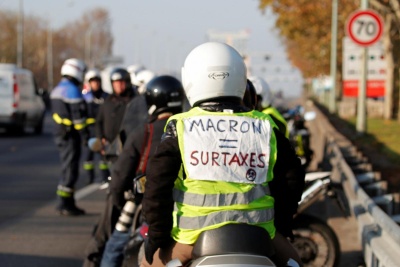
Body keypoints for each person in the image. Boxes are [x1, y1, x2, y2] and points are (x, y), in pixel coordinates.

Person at [141, 42, 305, 267]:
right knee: (295, 263)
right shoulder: (265, 125)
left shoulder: (181, 126)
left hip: (192, 238)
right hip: (259, 234)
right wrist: (283, 226)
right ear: (240, 78)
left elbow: (157, 185)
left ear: (191, 79)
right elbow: (292, 179)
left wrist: (156, 237)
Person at [100, 75, 185, 267]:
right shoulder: (189, 129)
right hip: (184, 208)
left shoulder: (144, 132)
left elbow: (119, 178)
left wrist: (120, 199)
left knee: (113, 247)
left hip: (144, 205)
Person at [50, 58, 88, 216]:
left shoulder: (58, 89)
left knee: (67, 168)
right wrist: (86, 136)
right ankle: (64, 203)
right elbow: (78, 120)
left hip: (60, 134)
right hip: (70, 136)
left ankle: (68, 201)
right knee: (70, 170)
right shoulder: (72, 90)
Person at [95, 68, 135, 169]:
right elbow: (99, 121)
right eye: (115, 83)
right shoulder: (108, 102)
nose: (118, 86)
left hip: (130, 148)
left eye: (121, 82)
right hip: (112, 149)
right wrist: (101, 138)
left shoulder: (134, 101)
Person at [82, 69, 110, 184]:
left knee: (103, 156)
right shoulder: (85, 97)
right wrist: (84, 133)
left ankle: (105, 178)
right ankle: (90, 179)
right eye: (93, 81)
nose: (95, 84)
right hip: (89, 131)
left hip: (102, 131)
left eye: (97, 81)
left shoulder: (106, 96)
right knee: (88, 158)